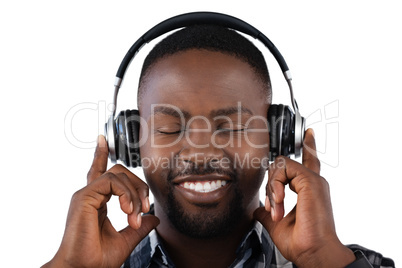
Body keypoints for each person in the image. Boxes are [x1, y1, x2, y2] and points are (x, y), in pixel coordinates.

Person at [42, 24, 394, 267]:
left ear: (278, 138)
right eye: (170, 128)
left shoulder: (349, 265)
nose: (200, 152)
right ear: (130, 143)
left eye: (233, 126)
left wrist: (323, 260)